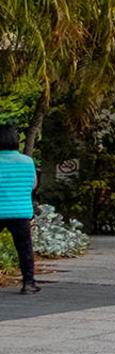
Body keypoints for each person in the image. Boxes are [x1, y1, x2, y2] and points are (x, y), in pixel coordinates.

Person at [0, 124, 39, 294]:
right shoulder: (27, 161)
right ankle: (28, 283)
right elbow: (33, 185)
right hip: (21, 212)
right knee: (24, 249)